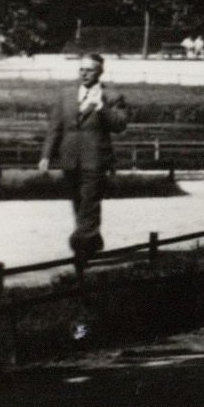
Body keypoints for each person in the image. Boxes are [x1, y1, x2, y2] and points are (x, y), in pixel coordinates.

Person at [38, 55, 131, 257]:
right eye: (81, 69)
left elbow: (120, 125)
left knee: (89, 201)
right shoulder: (66, 94)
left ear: (100, 72)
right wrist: (46, 155)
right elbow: (55, 127)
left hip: (96, 158)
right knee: (77, 201)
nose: (84, 73)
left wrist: (102, 109)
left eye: (89, 70)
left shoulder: (111, 96)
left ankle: (81, 249)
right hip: (69, 157)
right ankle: (92, 239)